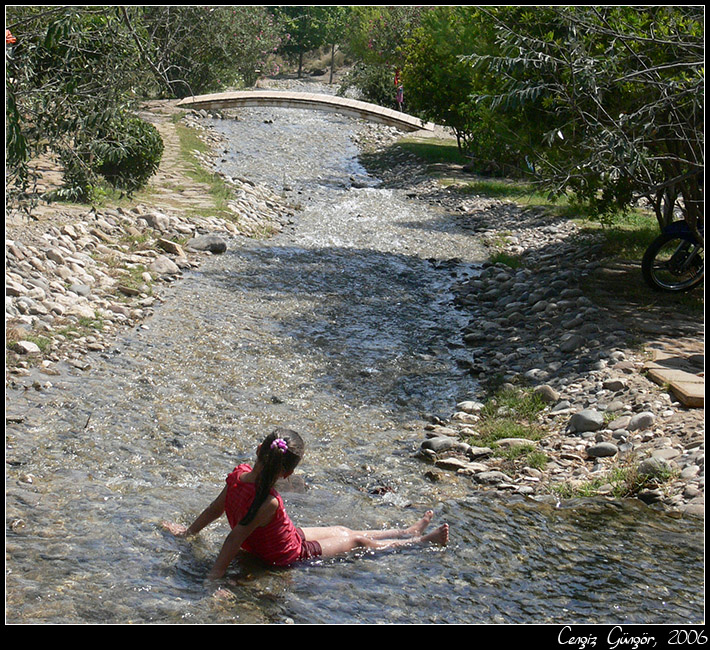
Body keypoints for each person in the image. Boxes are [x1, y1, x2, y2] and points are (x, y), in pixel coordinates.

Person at [161, 428, 449, 580]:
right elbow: (234, 538)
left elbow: (214, 510)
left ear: (258, 450)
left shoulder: (238, 475)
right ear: (287, 474)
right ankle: (419, 541)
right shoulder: (269, 502)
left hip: (286, 536)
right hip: (288, 554)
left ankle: (404, 531)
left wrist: (188, 533)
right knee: (358, 541)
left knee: (342, 529)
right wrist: (215, 575)